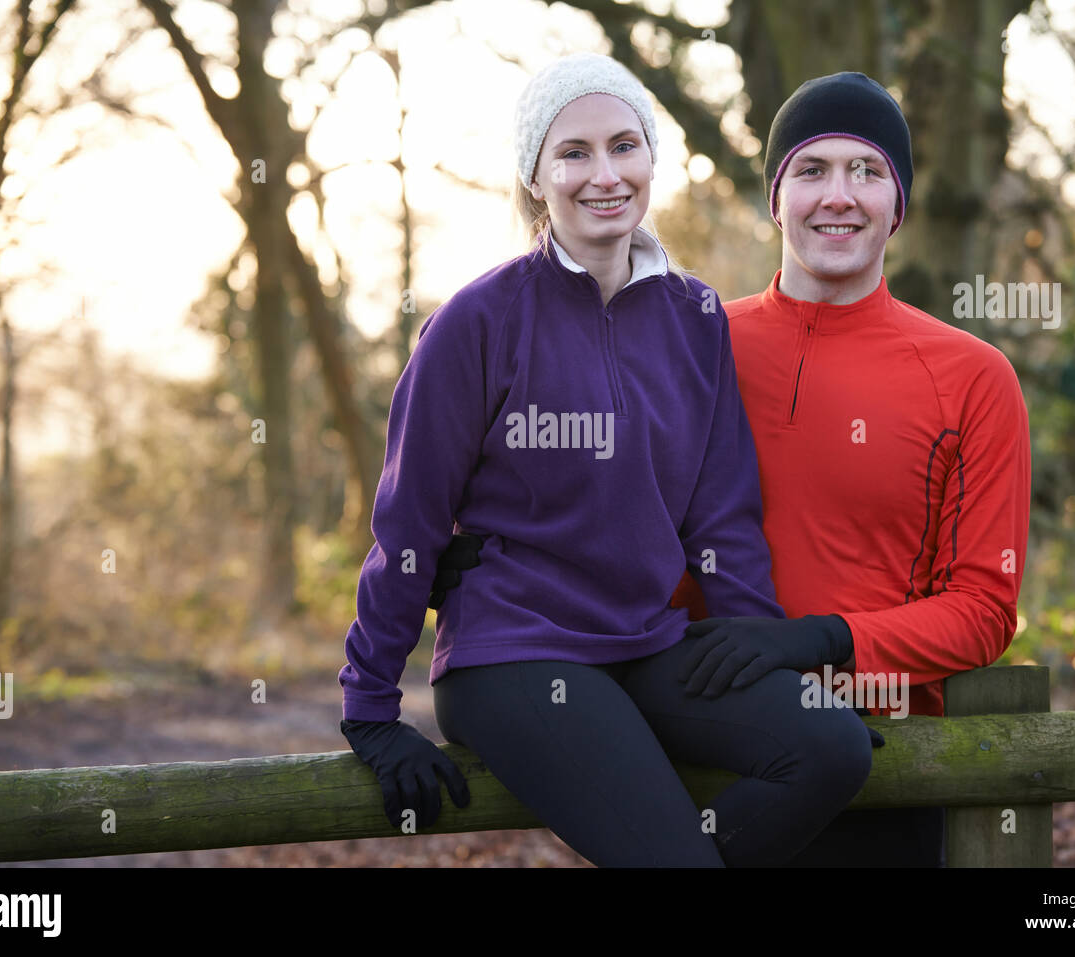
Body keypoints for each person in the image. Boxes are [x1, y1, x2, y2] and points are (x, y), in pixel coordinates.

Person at [437, 71, 1033, 867]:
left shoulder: (972, 375)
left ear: (901, 202)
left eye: (869, 171)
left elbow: (984, 608)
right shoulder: (689, 332)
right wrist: (472, 549)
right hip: (689, 742)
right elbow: (545, 458)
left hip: (874, 755)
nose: (839, 196)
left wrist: (821, 642)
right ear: (776, 195)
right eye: (811, 170)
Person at [337, 53, 876, 868]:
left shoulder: (694, 314)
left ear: (652, 160)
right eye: (574, 153)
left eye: (625, 146)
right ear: (536, 175)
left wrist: (766, 658)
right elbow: (407, 526)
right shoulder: (476, 322)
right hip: (516, 653)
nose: (604, 175)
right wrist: (371, 708)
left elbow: (720, 514)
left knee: (832, 749)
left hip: (649, 642)